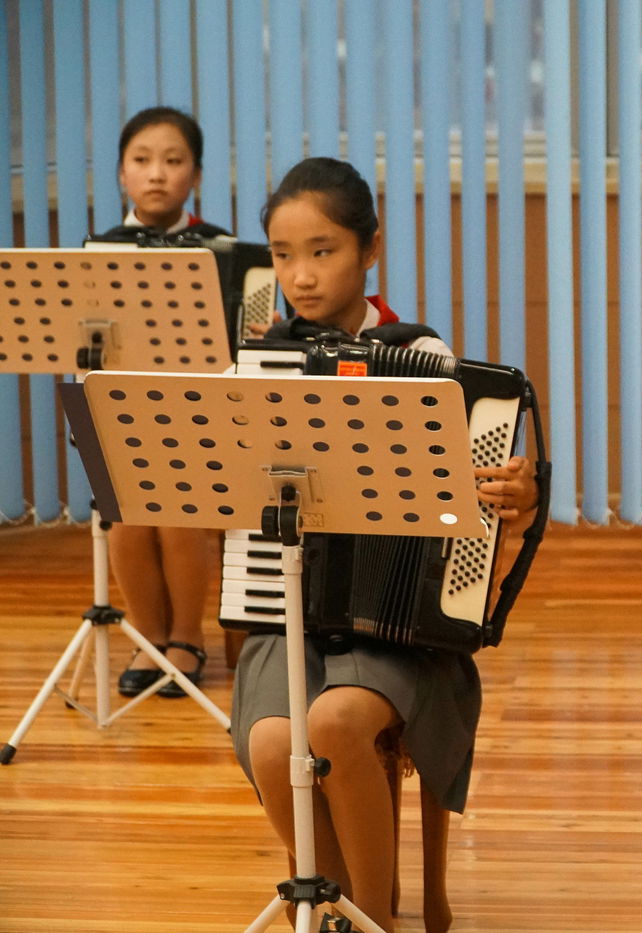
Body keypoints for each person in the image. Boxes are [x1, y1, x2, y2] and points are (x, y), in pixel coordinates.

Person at [231, 156, 537, 932]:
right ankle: (339, 904)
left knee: (332, 724)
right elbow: (231, 503)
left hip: (404, 632)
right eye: (282, 254)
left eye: (322, 249)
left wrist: (512, 498)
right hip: (289, 611)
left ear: (371, 248)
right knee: (272, 742)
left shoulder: (423, 359)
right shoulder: (258, 362)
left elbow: (482, 514)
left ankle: (376, 916)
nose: (299, 275)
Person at [102, 107, 225, 698]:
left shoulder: (222, 251)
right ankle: (148, 640)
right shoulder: (97, 253)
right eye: (142, 161)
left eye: (173, 162)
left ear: (195, 174)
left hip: (202, 414)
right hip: (122, 410)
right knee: (123, 516)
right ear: (122, 174)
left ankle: (187, 637)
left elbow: (242, 345)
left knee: (177, 512)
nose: (157, 174)